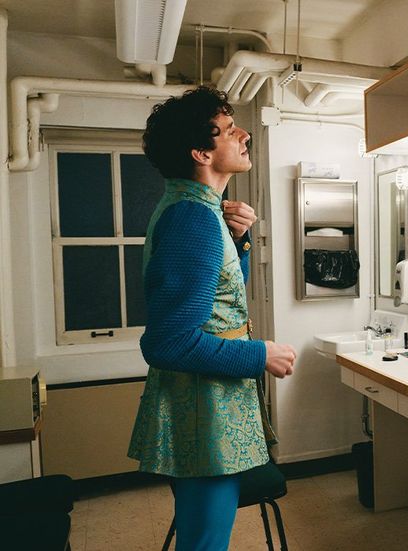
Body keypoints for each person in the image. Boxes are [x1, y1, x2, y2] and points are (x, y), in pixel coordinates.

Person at [128, 86, 296, 551]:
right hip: (204, 408)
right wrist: (259, 354)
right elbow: (170, 342)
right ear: (202, 152)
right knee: (205, 543)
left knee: (203, 536)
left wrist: (238, 242)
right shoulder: (194, 218)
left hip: (205, 402)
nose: (243, 134)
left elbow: (222, 301)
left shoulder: (201, 212)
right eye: (228, 130)